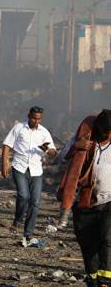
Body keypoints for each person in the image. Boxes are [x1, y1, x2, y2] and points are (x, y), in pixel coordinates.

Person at [58, 110, 111, 285]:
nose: (108, 135)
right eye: (106, 132)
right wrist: (78, 147)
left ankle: (106, 280)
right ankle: (93, 278)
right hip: (85, 203)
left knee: (107, 240)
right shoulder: (84, 139)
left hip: (109, 202)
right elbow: (62, 156)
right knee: (88, 247)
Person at [1, 106, 57, 246]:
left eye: (38, 119)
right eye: (33, 118)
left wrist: (47, 150)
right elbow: (7, 145)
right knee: (23, 196)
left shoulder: (44, 132)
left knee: (35, 202)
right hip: (19, 167)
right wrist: (4, 165)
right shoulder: (19, 128)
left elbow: (53, 153)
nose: (35, 121)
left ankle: (28, 233)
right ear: (28, 115)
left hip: (36, 170)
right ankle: (18, 219)